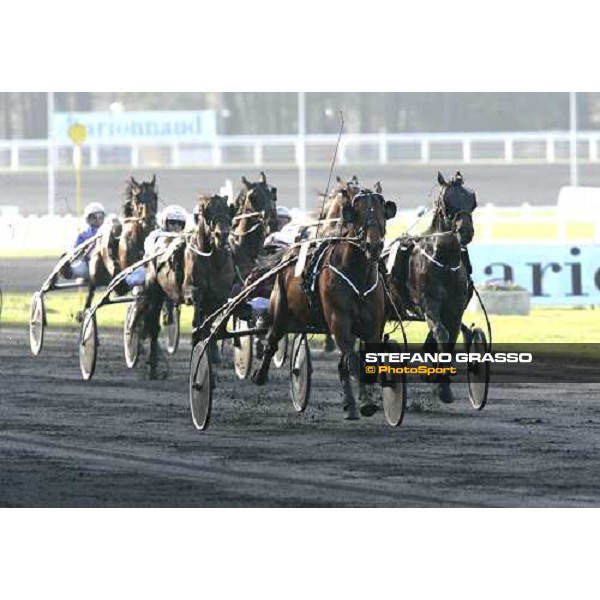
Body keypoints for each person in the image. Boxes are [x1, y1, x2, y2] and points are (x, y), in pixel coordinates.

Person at [125, 204, 188, 289]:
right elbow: (150, 252)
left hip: (177, 269)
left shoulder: (185, 238)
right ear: (164, 222)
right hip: (154, 268)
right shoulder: (155, 235)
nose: (176, 226)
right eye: (172, 222)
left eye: (180, 223)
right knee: (136, 279)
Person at [63, 202, 106, 280]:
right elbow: (76, 251)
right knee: (80, 269)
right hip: (88, 264)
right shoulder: (83, 235)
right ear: (88, 219)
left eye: (100, 217)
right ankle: (67, 270)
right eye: (94, 217)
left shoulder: (107, 232)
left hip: (105, 264)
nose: (97, 220)